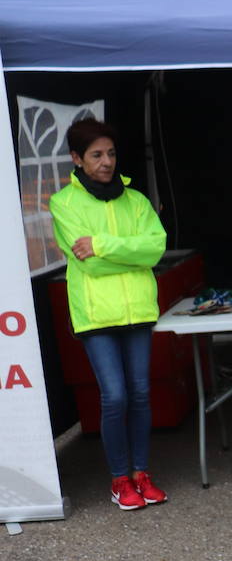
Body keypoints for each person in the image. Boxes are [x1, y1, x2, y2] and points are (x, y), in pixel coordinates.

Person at [49, 118, 169, 511]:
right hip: (97, 315)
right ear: (76, 158)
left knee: (140, 393)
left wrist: (100, 243)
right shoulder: (63, 203)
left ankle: (141, 474)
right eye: (97, 155)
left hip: (137, 310)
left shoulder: (135, 200)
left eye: (111, 153)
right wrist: (128, 252)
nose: (106, 162)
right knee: (115, 396)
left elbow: (155, 249)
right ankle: (119, 480)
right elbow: (90, 266)